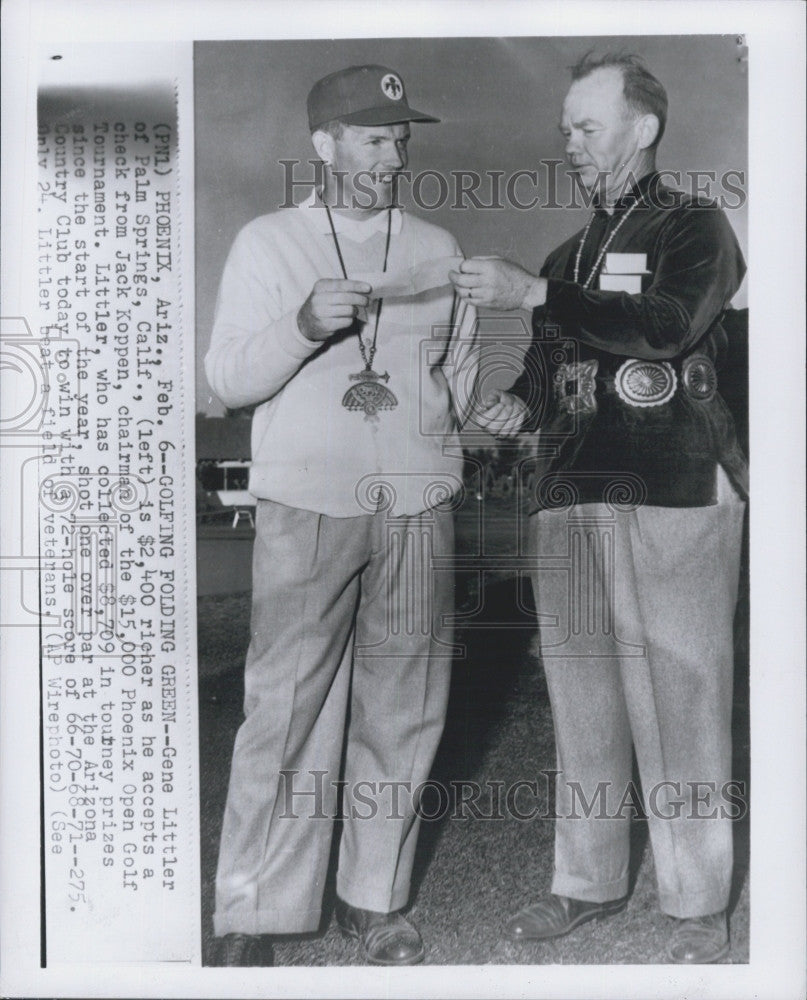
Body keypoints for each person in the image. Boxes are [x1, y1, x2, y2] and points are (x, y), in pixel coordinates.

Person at [449, 52, 747, 964]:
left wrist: (538, 294)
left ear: (642, 128)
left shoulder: (695, 225)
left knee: (684, 696)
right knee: (581, 696)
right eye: (564, 129)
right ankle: (584, 883)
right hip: (568, 496)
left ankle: (696, 902)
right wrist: (514, 401)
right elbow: (549, 372)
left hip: (673, 486)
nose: (569, 142)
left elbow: (662, 326)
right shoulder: (566, 252)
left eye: (586, 125)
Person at [205, 64, 477, 967]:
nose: (390, 153)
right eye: (369, 136)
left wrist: (450, 440)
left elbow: (456, 380)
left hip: (415, 507)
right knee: (283, 711)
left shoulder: (437, 246)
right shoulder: (267, 242)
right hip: (307, 503)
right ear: (322, 145)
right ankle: (254, 912)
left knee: (404, 709)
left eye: (399, 136)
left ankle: (376, 901)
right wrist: (301, 325)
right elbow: (230, 380)